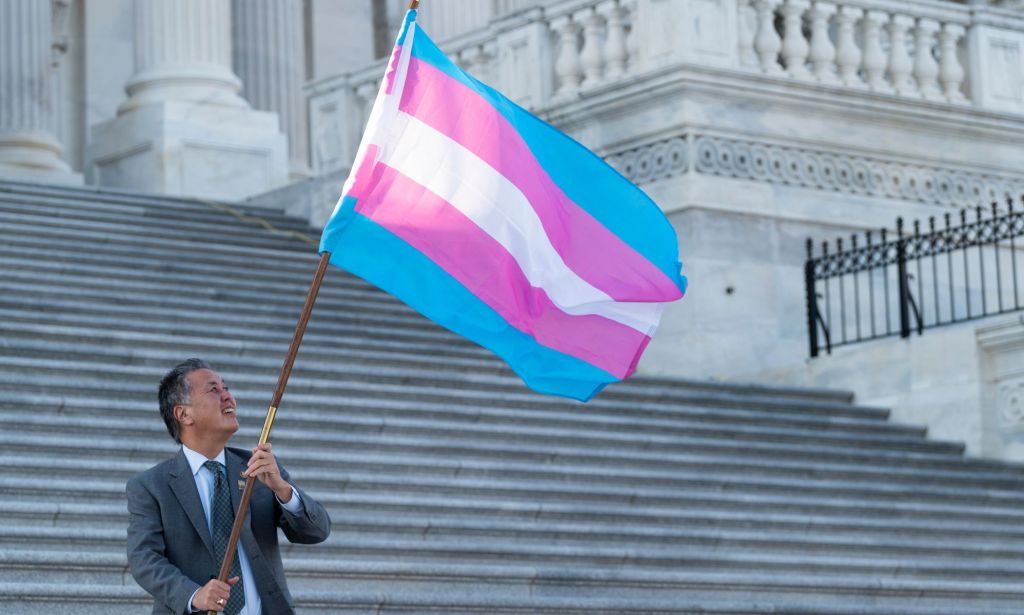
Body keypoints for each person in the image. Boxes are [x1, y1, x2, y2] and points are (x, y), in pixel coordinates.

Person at [127, 358, 331, 614]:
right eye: (214, 390)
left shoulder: (259, 467)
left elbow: (317, 531)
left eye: (226, 388)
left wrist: (283, 490)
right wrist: (194, 594)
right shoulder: (151, 486)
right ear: (183, 414)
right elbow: (144, 559)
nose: (228, 397)